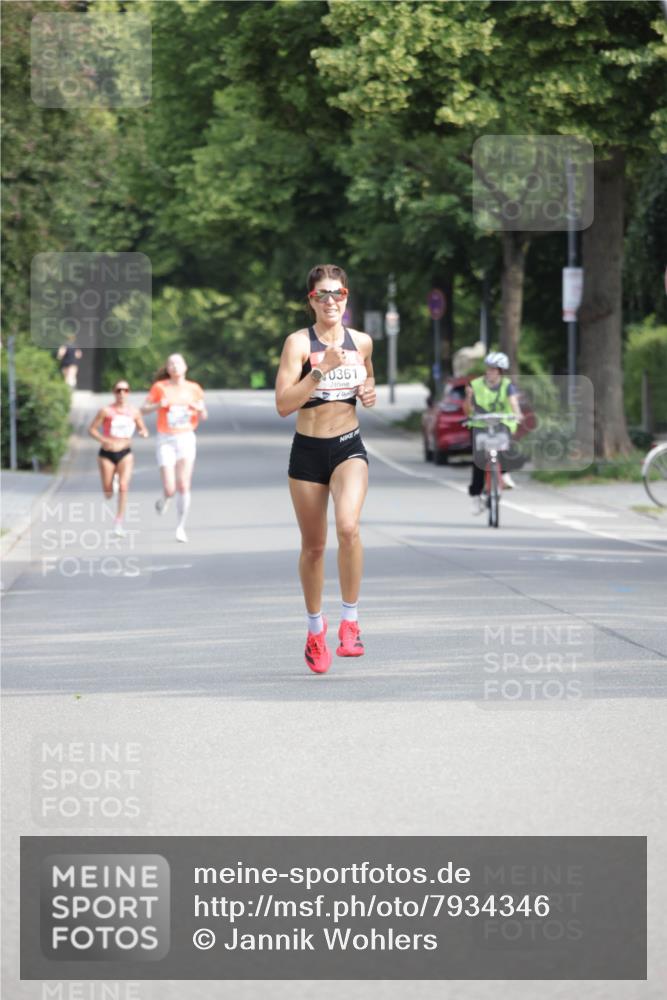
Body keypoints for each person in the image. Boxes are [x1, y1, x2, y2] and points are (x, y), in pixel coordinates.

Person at [275, 264, 376, 674]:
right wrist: (321, 369)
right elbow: (284, 404)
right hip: (308, 453)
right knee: (314, 547)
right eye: (322, 295)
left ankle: (350, 623)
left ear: (346, 297)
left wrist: (368, 392)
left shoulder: (363, 342)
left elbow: (366, 382)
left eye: (337, 293)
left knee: (348, 527)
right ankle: (316, 631)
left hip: (348, 446)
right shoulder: (298, 344)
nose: (331, 300)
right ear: (311, 301)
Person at [141, 353, 207, 543]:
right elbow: (143, 409)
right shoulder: (160, 387)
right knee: (170, 488)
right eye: (171, 364)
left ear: (185, 367)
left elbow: (204, 414)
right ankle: (165, 498)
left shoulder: (194, 388)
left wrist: (199, 408)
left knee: (184, 484)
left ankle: (180, 527)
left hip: (186, 437)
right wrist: (156, 406)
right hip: (166, 439)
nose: (175, 366)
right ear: (167, 369)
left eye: (178, 363)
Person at [464, 351, 523, 514]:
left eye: (494, 369)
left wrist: (517, 414)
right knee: (478, 462)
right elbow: (467, 410)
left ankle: (503, 474)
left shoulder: (507, 385)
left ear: (501, 372)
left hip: (501, 423)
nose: (490, 372)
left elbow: (513, 402)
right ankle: (476, 496)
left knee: (508, 448)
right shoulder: (475, 384)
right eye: (488, 368)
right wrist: (468, 398)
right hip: (480, 424)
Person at [88, 381, 148, 535]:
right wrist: (103, 440)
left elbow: (142, 427)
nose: (122, 393)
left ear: (129, 392)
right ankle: (111, 483)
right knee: (108, 494)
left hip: (125, 452)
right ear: (114, 392)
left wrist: (143, 433)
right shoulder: (106, 411)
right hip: (107, 454)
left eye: (125, 390)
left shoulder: (134, 412)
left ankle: (118, 522)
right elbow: (92, 429)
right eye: (118, 390)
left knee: (123, 486)